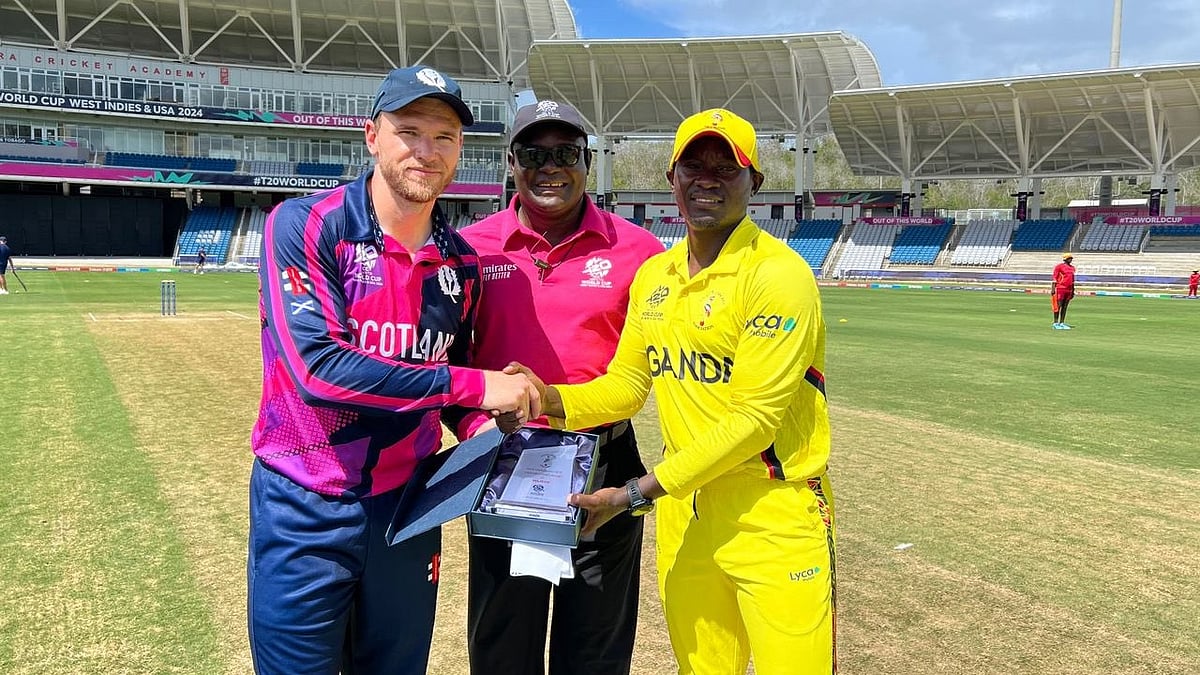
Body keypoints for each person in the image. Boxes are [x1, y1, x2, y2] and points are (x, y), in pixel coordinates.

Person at [510, 108, 836, 675]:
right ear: (672, 179)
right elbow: (627, 385)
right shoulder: (656, 278)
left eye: (725, 167)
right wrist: (549, 399)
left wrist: (636, 492)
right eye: (693, 166)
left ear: (753, 183)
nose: (706, 178)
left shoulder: (779, 276)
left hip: (773, 510)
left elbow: (756, 420)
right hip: (685, 510)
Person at [247, 65, 540, 675]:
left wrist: (478, 427)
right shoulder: (305, 227)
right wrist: (478, 387)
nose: (427, 152)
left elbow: (449, 375)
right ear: (372, 137)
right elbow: (319, 370)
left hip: (408, 509)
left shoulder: (461, 261)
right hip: (307, 502)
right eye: (409, 131)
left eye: (445, 137)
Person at [450, 100, 664, 675]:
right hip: (501, 458)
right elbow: (448, 362)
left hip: (606, 458)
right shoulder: (468, 248)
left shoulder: (641, 252)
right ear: (511, 163)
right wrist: (477, 431)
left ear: (586, 161)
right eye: (533, 154)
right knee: (502, 644)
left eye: (565, 154)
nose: (550, 168)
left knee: (596, 645)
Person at [1052, 253, 1076, 329]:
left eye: (1071, 258)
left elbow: (1072, 280)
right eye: (1069, 258)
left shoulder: (1072, 268)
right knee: (1058, 306)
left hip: (1069, 289)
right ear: (1065, 259)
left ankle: (1062, 322)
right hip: (1060, 288)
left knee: (1065, 306)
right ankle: (1055, 323)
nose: (1071, 260)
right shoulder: (1059, 267)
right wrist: (1053, 289)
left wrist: (1073, 290)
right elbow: (1054, 278)